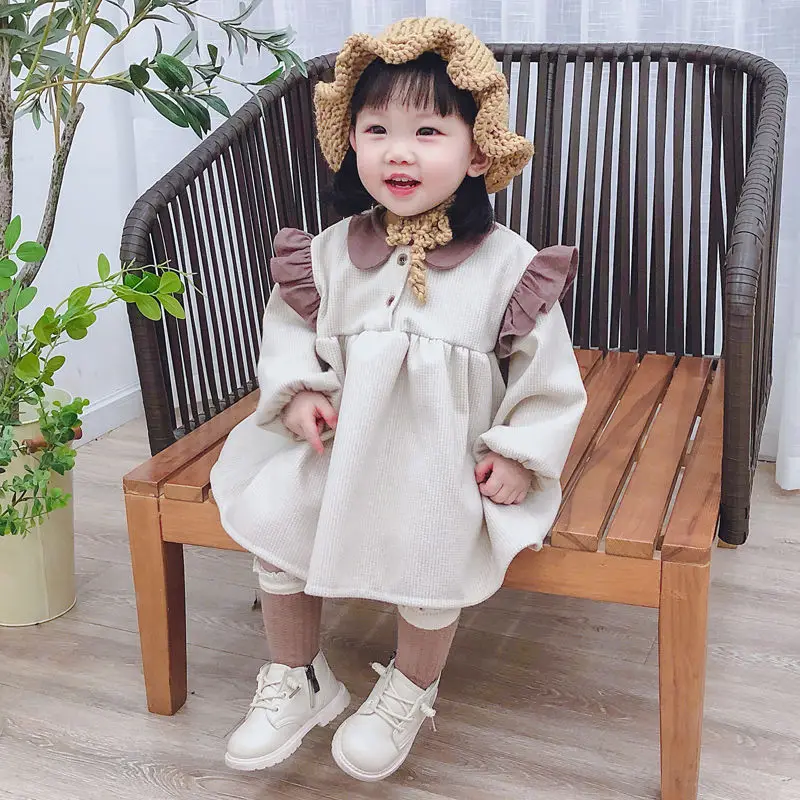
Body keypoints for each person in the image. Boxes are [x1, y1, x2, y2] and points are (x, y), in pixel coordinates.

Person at [209, 16, 587, 783]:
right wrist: (298, 392)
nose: (398, 151)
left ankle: (412, 687)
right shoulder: (330, 252)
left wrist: (519, 453)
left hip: (443, 458)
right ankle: (299, 675)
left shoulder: (507, 267)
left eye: (427, 131)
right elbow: (290, 330)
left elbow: (547, 378)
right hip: (340, 444)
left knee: (434, 550)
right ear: (351, 141)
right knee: (276, 520)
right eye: (377, 129)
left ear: (477, 150)